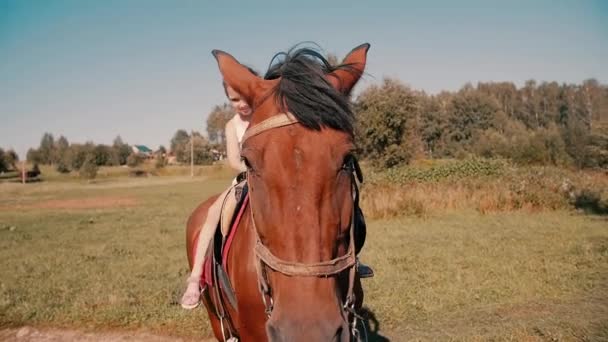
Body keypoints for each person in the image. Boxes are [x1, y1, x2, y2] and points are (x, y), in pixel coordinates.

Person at [180, 82, 252, 309]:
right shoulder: (232, 126)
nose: (241, 104)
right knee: (213, 214)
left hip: (275, 178)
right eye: (234, 100)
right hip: (246, 179)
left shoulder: (267, 115)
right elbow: (233, 160)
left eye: (244, 97)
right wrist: (255, 170)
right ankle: (195, 279)